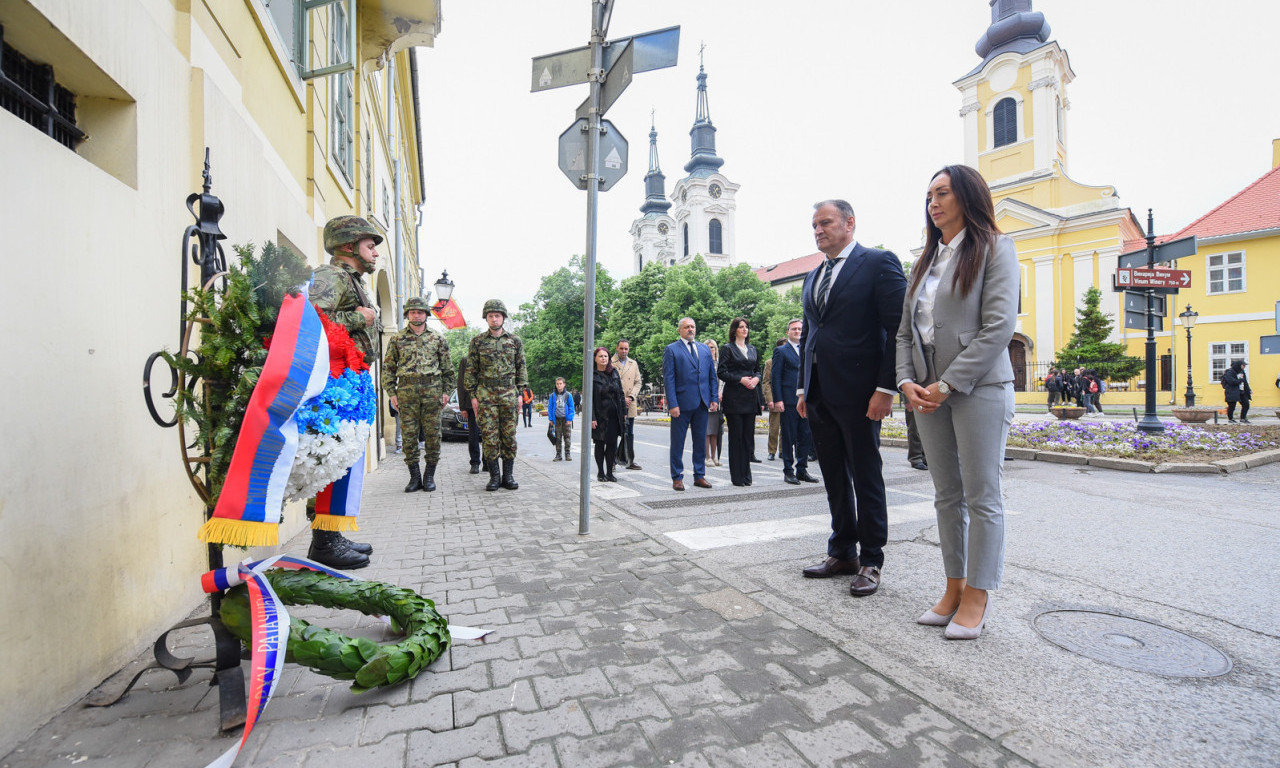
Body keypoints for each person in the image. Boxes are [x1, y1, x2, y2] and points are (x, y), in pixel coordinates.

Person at [897, 164, 1019, 640]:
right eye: (929, 194)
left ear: (968, 196)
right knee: (946, 495)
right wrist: (907, 381)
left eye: (943, 192)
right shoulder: (924, 261)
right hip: (926, 392)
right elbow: (905, 332)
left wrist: (947, 383)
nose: (933, 202)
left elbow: (998, 328)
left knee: (982, 495)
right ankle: (953, 585)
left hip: (979, 388)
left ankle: (978, 595)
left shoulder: (995, 248)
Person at [797, 199, 906, 597]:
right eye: (814, 225)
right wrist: (802, 388)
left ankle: (872, 559)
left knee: (865, 475)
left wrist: (886, 387)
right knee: (834, 477)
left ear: (849, 223)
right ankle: (842, 550)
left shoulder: (878, 263)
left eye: (825, 223)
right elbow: (811, 332)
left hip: (863, 395)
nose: (818, 230)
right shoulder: (813, 275)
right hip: (821, 394)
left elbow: (900, 330)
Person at [306, 215, 382, 569]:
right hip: (338, 383)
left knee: (344, 460)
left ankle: (332, 535)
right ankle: (324, 543)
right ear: (348, 246)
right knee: (333, 458)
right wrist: (360, 318)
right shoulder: (331, 276)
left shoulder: (350, 280)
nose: (376, 254)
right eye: (370, 246)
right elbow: (312, 319)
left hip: (352, 380)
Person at [382, 297, 454, 493]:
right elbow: (388, 368)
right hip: (406, 392)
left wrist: (446, 392)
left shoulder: (437, 338)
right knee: (408, 436)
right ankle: (414, 476)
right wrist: (391, 392)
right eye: (412, 312)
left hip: (432, 392)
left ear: (426, 315)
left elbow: (448, 369)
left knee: (432, 435)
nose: (416, 315)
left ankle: (429, 475)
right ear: (407, 314)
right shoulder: (397, 339)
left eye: (420, 312)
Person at [464, 299, 528, 491]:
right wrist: (473, 396)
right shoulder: (477, 341)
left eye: (497, 315)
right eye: (491, 316)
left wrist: (520, 393)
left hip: (509, 393)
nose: (494, 319)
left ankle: (508, 476)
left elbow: (521, 367)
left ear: (503, 317)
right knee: (490, 438)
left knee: (509, 436)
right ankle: (494, 476)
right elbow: (471, 371)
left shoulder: (514, 341)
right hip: (486, 395)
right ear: (486, 318)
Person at [663, 317, 719, 491]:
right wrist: (672, 404)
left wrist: (714, 398)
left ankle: (699, 475)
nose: (690, 329)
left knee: (700, 441)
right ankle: (677, 477)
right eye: (687, 327)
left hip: (702, 403)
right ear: (680, 330)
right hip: (681, 403)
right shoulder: (672, 350)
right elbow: (669, 379)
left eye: (693, 326)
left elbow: (711, 376)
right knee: (678, 442)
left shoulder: (703, 349)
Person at [718, 317, 765, 487]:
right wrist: (740, 380)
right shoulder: (727, 349)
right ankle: (737, 476)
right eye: (741, 327)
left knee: (747, 439)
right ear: (734, 330)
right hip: (735, 399)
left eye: (746, 327)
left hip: (750, 398)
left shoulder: (752, 349)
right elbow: (721, 372)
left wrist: (756, 380)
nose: (745, 329)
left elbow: (758, 370)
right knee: (736, 438)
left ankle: (747, 475)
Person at [771, 319, 817, 485]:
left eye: (800, 329)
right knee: (789, 437)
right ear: (788, 332)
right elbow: (775, 377)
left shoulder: (809, 350)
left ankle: (802, 469)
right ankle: (788, 471)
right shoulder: (781, 351)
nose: (797, 331)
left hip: (807, 400)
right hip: (789, 401)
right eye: (794, 329)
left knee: (806, 437)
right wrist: (778, 399)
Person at [590, 347, 627, 482]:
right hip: (599, 416)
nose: (603, 358)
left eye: (606, 356)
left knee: (612, 444)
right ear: (595, 359)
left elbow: (621, 394)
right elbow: (589, 400)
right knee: (600, 444)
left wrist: (623, 413)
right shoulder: (591, 375)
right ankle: (600, 472)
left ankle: (610, 472)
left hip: (613, 416)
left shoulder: (614, 373)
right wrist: (591, 417)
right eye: (600, 356)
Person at [612, 339, 644, 470]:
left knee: (629, 433)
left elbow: (638, 382)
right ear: (617, 348)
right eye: (621, 348)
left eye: (626, 349)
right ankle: (612, 461)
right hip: (615, 402)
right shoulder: (610, 362)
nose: (624, 351)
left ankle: (630, 460)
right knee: (613, 433)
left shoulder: (633, 363)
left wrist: (631, 396)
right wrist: (621, 398)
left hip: (629, 403)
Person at [457, 356, 483, 474]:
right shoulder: (466, 360)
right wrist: (462, 406)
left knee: (490, 434)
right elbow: (461, 383)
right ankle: (475, 462)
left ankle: (488, 461)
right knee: (473, 435)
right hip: (470, 404)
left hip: (488, 402)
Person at [704, 339, 724, 467]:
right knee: (707, 431)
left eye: (713, 347)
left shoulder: (719, 364)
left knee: (716, 431)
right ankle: (707, 457)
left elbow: (723, 381)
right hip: (707, 400)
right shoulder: (702, 363)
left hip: (719, 400)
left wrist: (720, 394)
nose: (711, 349)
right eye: (709, 347)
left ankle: (714, 456)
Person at [763, 340, 783, 461]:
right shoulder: (770, 363)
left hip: (788, 399)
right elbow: (766, 382)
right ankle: (772, 451)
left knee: (787, 428)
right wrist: (769, 399)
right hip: (775, 399)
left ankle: (783, 450)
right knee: (774, 428)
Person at [548, 377, 575, 461]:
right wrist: (551, 419)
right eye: (557, 384)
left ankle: (567, 453)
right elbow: (550, 407)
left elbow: (571, 408)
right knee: (558, 438)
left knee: (567, 437)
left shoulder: (568, 395)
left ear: (564, 384)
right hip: (557, 419)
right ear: (555, 385)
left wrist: (569, 419)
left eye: (560, 383)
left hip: (565, 419)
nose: (559, 385)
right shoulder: (552, 396)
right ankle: (558, 454)